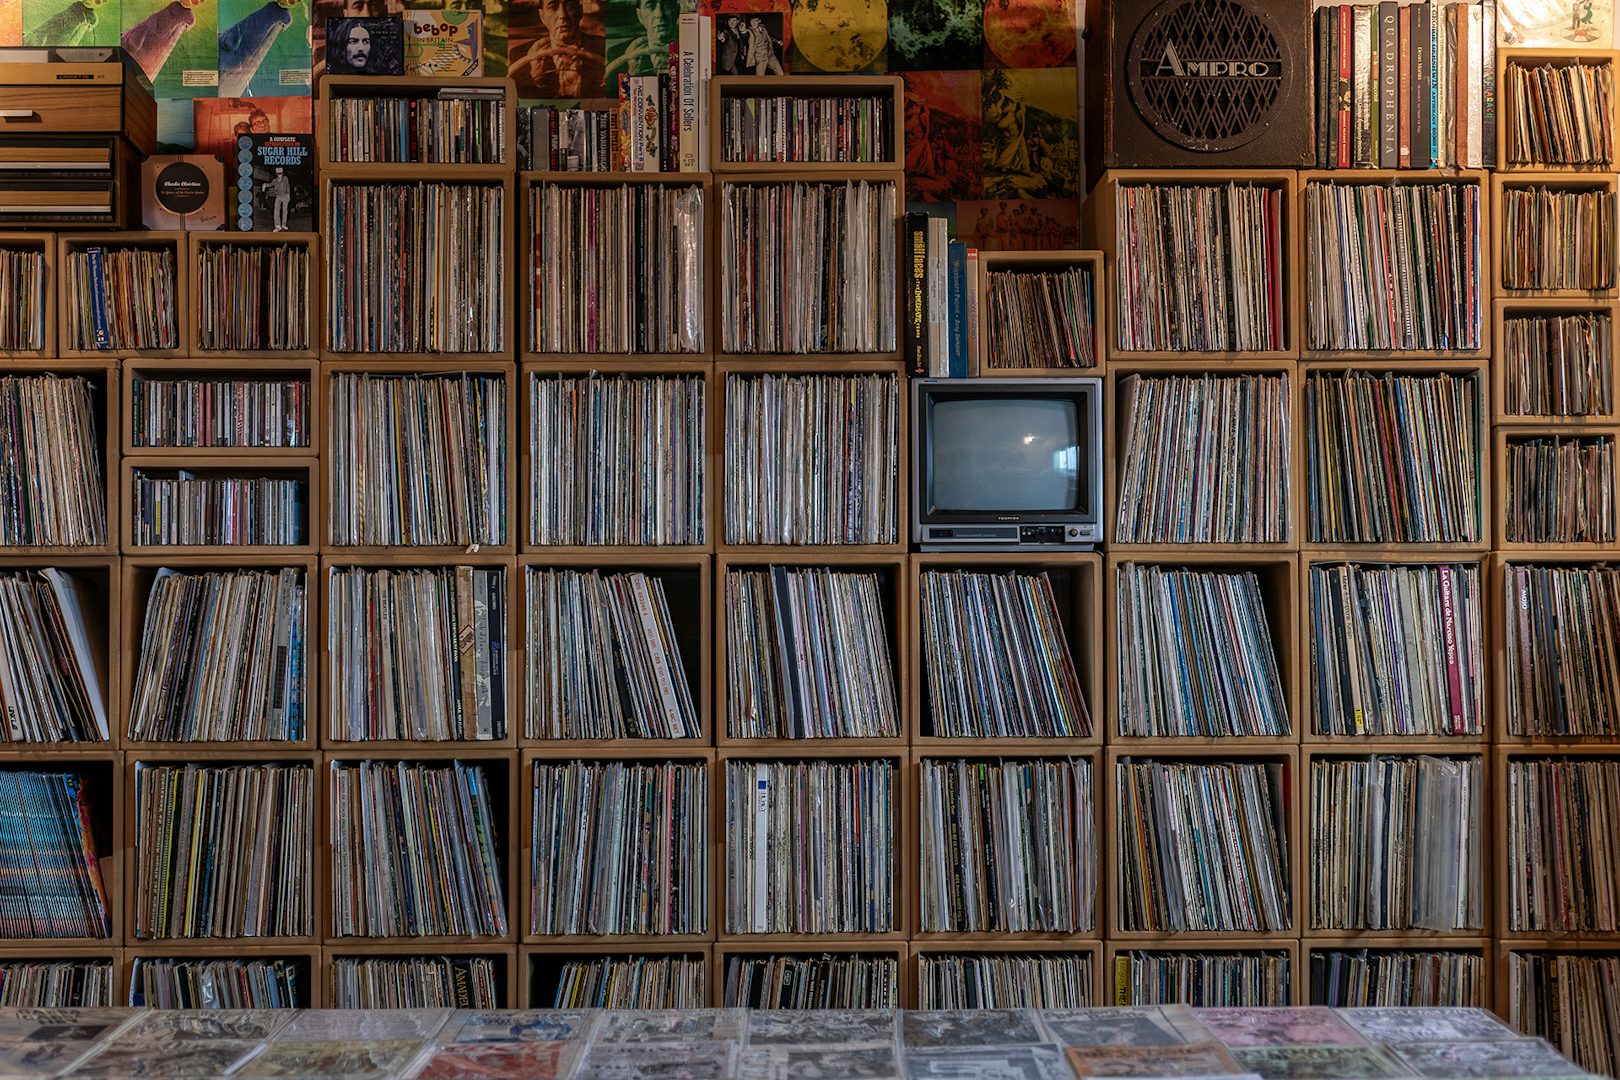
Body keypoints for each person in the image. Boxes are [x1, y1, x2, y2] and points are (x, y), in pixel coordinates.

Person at [509, 0, 605, 98]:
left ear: (580, 11)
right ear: (542, 16)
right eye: (552, 6)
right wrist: (536, 80)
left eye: (569, 5)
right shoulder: (520, 55)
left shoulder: (604, 49)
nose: (562, 15)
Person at [604, 0, 678, 77]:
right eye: (650, 6)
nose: (659, 14)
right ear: (640, 16)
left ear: (677, 10)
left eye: (666, 5)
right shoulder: (617, 54)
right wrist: (631, 74)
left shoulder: (686, 50)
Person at [268, 166, 291, 232]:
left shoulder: (285, 178)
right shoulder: (275, 180)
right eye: (278, 174)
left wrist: (289, 195)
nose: (279, 175)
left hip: (285, 195)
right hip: (278, 196)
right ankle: (277, 226)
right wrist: (265, 185)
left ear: (282, 173)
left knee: (285, 210)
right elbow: (270, 184)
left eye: (280, 173)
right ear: (276, 174)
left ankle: (283, 225)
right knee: (276, 210)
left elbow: (288, 186)